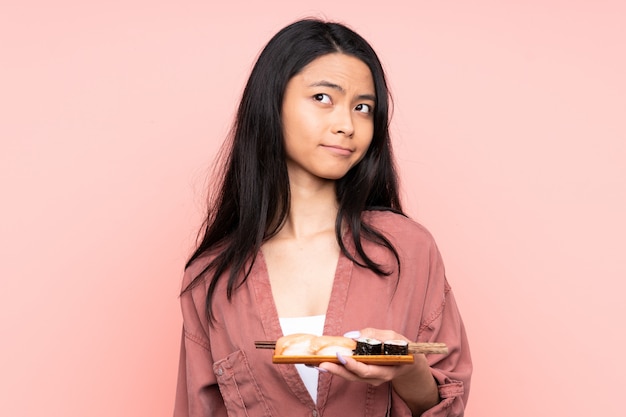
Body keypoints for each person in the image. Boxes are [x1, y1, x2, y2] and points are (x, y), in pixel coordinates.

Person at [174, 18, 472, 417]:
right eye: (322, 98)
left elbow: (447, 404)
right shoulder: (211, 277)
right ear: (271, 103)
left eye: (363, 107)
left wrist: (407, 368)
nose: (347, 125)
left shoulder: (409, 251)